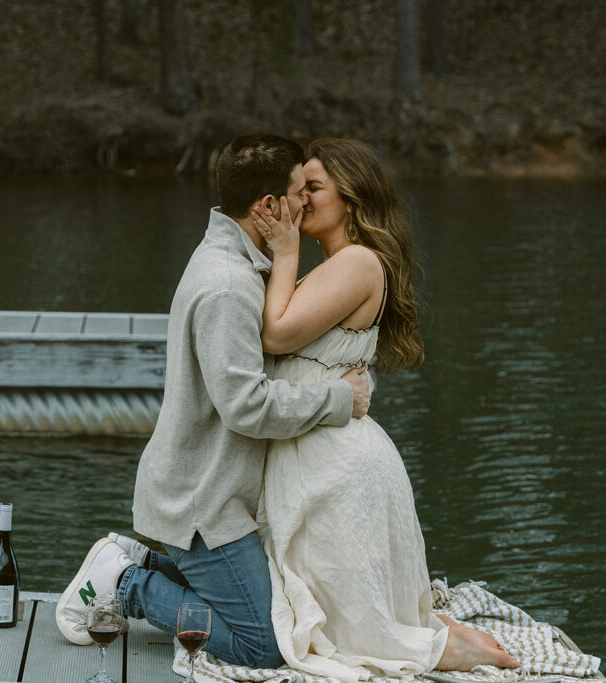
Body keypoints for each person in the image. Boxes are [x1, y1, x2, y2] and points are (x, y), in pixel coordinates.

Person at [54, 134, 372, 669]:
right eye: (298, 193)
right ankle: (124, 583)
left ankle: (135, 559)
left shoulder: (244, 264)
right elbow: (246, 406)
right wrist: (339, 398)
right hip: (205, 504)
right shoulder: (228, 284)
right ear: (268, 206)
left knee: (280, 609)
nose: (305, 203)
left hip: (214, 493)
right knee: (264, 646)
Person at [251, 138, 521, 680]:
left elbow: (276, 335)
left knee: (349, 633)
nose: (299, 200)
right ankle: (445, 636)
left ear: (350, 199)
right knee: (339, 610)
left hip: (335, 464)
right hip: (322, 453)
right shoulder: (338, 264)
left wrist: (283, 252)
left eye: (313, 189)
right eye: (297, 188)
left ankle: (447, 647)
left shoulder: (356, 261)